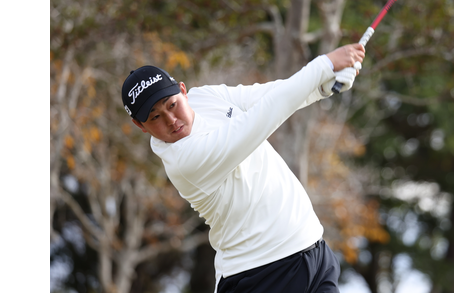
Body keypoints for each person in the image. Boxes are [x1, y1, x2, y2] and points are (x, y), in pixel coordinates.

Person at [121, 43, 366, 293]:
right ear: (141, 126)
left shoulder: (204, 97)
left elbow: (270, 94)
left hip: (313, 249)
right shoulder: (184, 161)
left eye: (171, 105)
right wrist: (324, 65)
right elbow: (262, 117)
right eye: (155, 117)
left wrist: (324, 86)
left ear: (183, 91)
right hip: (262, 274)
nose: (171, 120)